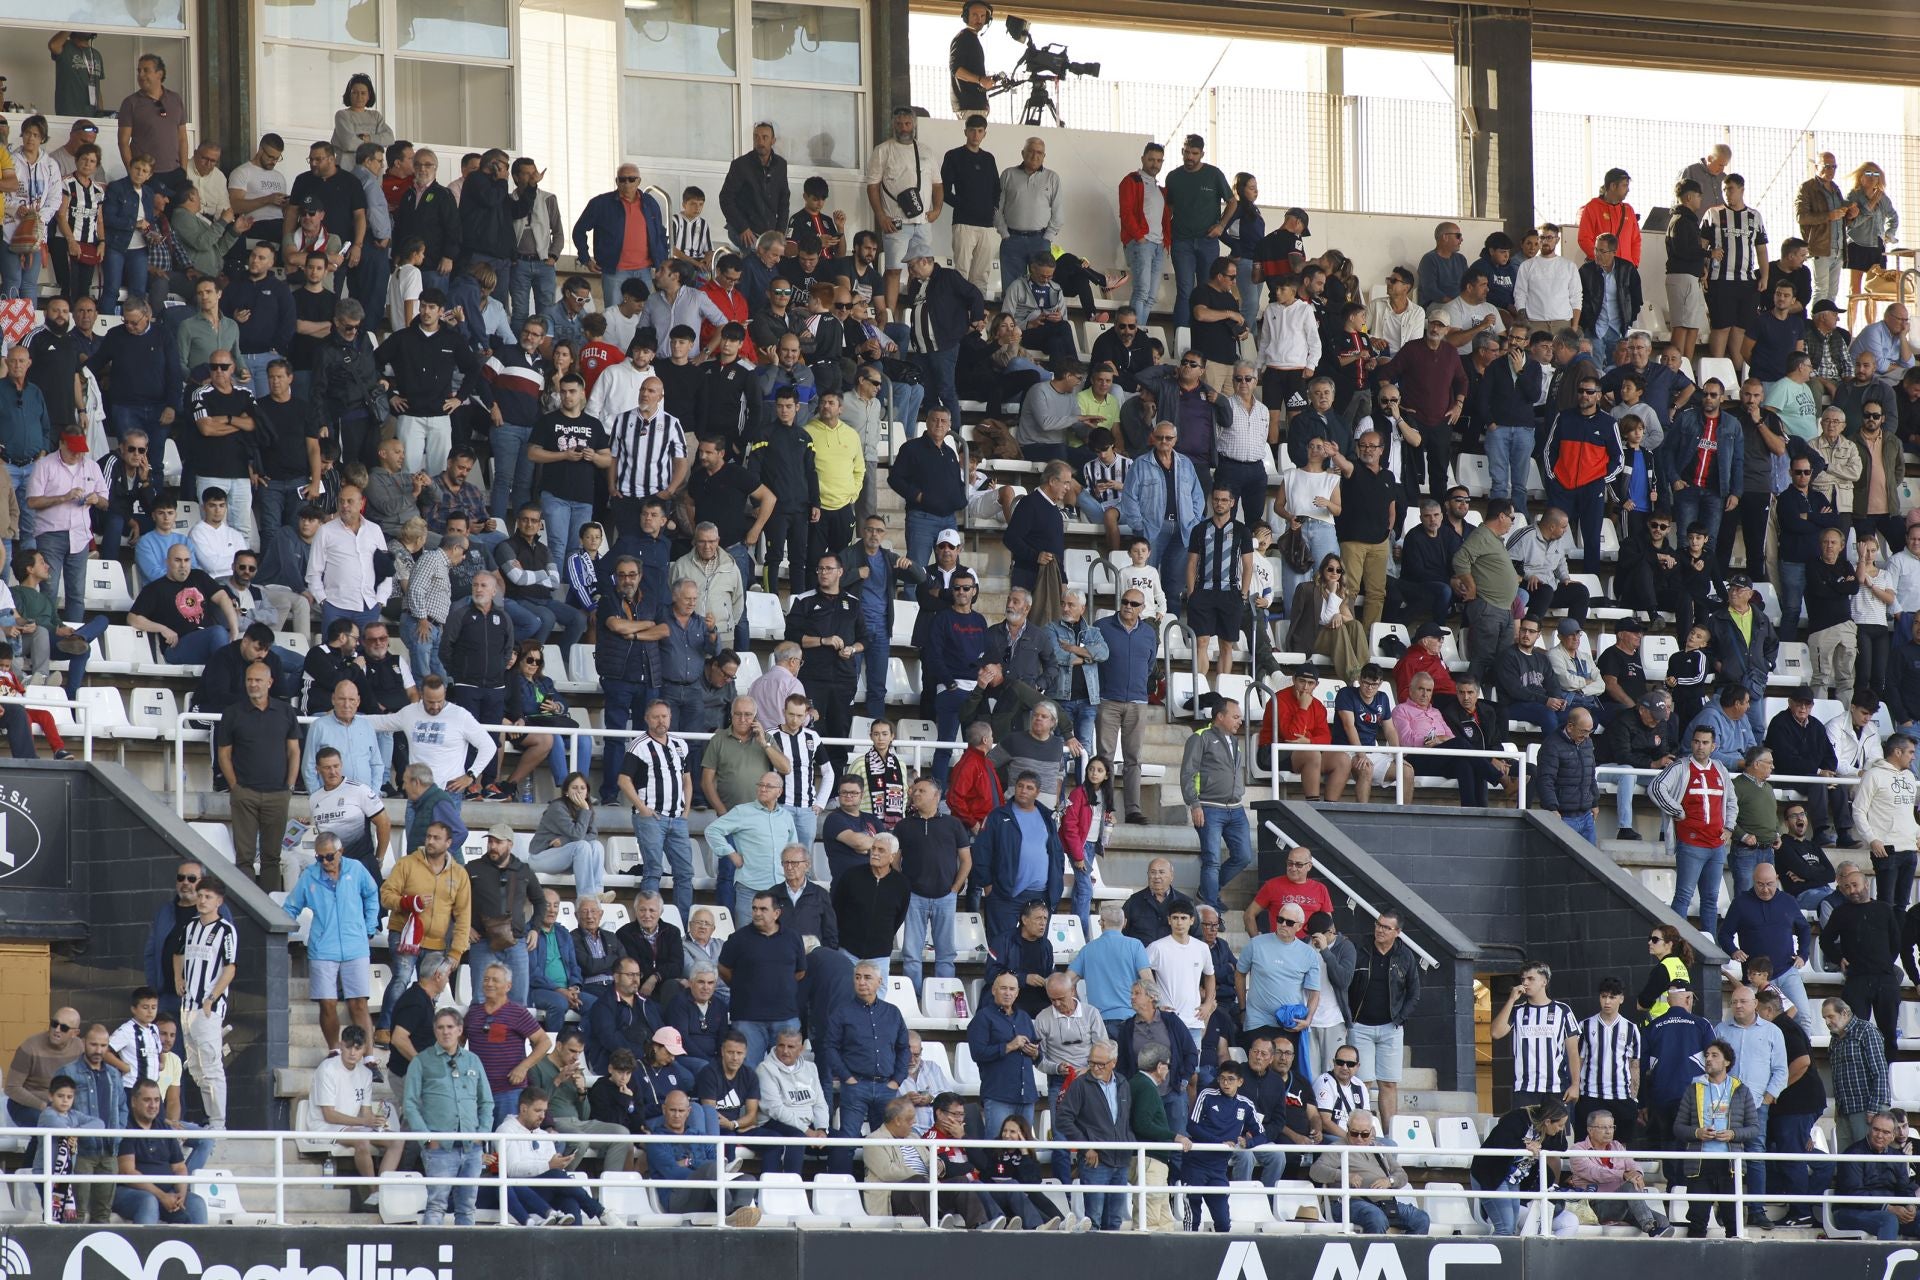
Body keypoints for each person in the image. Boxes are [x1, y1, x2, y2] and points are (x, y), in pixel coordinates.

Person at [1671, 1038, 1760, 1239]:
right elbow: (1678, 1127)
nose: (1708, 1059)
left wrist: (1733, 1134)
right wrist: (1697, 1133)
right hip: (1699, 1164)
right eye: (1707, 1056)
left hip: (1731, 1164)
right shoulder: (1693, 1089)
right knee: (1697, 1219)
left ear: (1727, 1062)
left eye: (1714, 1055)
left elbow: (1754, 1128)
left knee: (1733, 1220)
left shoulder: (1741, 1090)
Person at [1823, 864, 1905, 1061]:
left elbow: (1896, 942)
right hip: (1856, 979)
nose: (1852, 891)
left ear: (1866, 884)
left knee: (1889, 1033)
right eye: (1847, 887)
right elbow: (1825, 940)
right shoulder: (1841, 912)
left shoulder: (1885, 909)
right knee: (1853, 1033)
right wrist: (1838, 958)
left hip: (1884, 978)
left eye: (1855, 885)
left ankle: (1889, 1080)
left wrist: (1883, 962)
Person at [1309, 1110, 1431, 1234]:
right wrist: (1344, 1176)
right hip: (1351, 1202)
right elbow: (1315, 1171)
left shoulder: (1380, 1148)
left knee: (1421, 1219)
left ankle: (1404, 1253)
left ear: (1372, 1131)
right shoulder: (1337, 1148)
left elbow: (1402, 1175)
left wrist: (1389, 1181)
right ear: (1347, 1129)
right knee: (1376, 1218)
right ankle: (1377, 1253)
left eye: (1364, 1134)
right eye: (1354, 1133)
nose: (1359, 1138)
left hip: (1385, 1204)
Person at [1471, 1099, 1575, 1237]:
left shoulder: (1547, 1129)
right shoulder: (1517, 1118)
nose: (1561, 1129)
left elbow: (1562, 1146)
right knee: (1505, 1228)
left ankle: (1503, 1257)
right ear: (1548, 1122)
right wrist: (1525, 1146)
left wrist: (1537, 1145)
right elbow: (1501, 1142)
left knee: (1511, 1228)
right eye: (1560, 1125)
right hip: (1491, 1176)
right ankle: (1489, 1257)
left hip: (1513, 1179)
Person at [1568, 1108, 1672, 1236]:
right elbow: (1595, 1173)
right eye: (1603, 1127)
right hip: (1595, 1206)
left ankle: (1654, 1242)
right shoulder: (1577, 1149)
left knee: (1663, 1221)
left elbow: (1632, 1164)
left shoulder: (1617, 1145)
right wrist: (1623, 1174)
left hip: (1623, 1203)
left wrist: (1637, 1174)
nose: (1608, 1131)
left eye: (1611, 1127)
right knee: (1628, 1186)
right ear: (1590, 1130)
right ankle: (1649, 1226)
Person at [1492, 962, 1580, 1109]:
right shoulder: (1517, 1011)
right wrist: (1511, 1000)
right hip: (1524, 1089)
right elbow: (1495, 1033)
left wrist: (1575, 1085)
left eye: (1531, 979)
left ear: (1544, 981)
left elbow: (1573, 1051)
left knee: (1555, 1131)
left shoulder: (1563, 1010)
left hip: (1556, 1088)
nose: (1525, 983)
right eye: (1523, 979)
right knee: (1526, 1132)